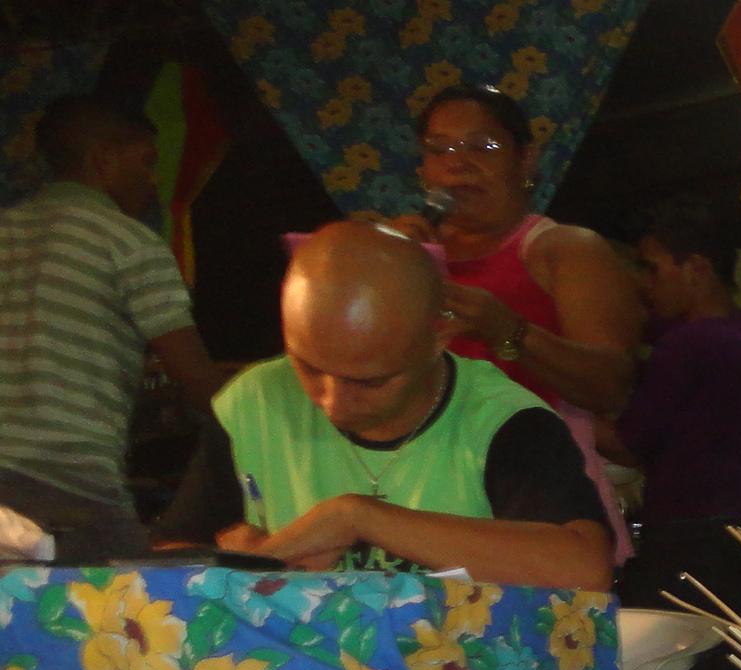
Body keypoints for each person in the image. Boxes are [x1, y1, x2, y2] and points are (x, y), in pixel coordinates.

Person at [155, 221, 612, 589]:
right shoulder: (253, 401)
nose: (333, 403)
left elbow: (583, 568)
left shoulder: (504, 420)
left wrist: (355, 518)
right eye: (308, 368)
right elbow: (168, 557)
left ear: (439, 337)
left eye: (369, 382)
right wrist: (236, 568)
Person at [396, 86, 641, 558]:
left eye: (482, 146)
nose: (458, 164)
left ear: (526, 159)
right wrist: (385, 263)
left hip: (535, 502)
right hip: (419, 501)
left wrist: (507, 330)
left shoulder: (565, 249)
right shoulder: (405, 253)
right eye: (439, 149)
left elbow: (610, 386)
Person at [0, 96, 225, 559]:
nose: (154, 179)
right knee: (138, 595)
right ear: (102, 159)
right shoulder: (129, 242)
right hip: (69, 488)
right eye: (146, 161)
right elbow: (195, 380)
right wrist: (269, 409)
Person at [613, 198, 741, 532]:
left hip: (685, 525)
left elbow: (627, 447)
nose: (644, 282)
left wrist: (554, 406)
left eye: (652, 269)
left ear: (697, 268)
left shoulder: (690, 342)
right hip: (734, 516)